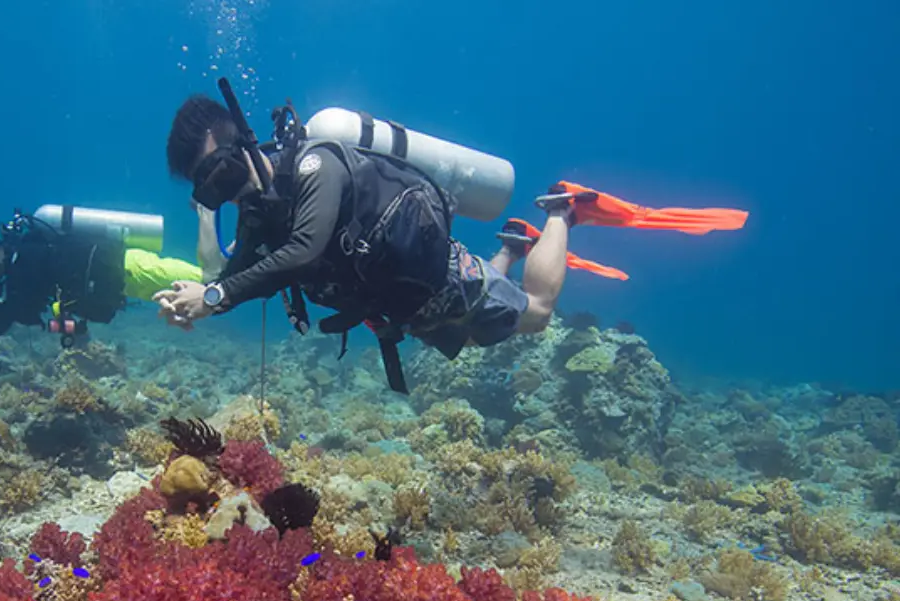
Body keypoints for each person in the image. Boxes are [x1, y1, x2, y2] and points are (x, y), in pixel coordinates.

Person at [155, 91, 746, 393]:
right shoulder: (261, 214)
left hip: (431, 280)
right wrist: (206, 274)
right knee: (469, 326)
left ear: (246, 141)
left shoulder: (315, 165)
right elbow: (234, 273)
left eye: (222, 173)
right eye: (207, 188)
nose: (223, 191)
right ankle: (513, 248)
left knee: (535, 317)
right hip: (405, 301)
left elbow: (304, 253)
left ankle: (563, 209)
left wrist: (212, 299)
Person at [0, 212, 204, 367]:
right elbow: (23, 310)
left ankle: (239, 263)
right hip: (125, 280)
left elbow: (21, 312)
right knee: (209, 285)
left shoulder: (23, 259)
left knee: (211, 279)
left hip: (129, 269)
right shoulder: (20, 260)